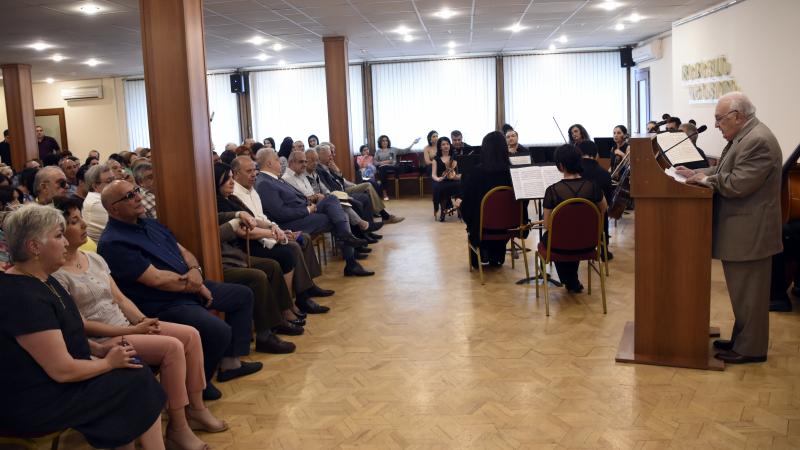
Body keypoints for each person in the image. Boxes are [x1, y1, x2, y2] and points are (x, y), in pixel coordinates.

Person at [51, 197, 225, 449]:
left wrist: (143, 320)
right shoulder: (58, 274)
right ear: (59, 231)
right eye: (75, 222)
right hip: (104, 338)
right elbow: (81, 325)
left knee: (190, 335)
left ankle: (196, 409)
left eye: (81, 218)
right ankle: (178, 427)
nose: (84, 225)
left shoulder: (94, 259)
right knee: (172, 347)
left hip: (127, 325)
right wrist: (132, 329)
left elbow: (121, 299)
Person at [0, 204, 167, 450]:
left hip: (57, 383)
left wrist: (98, 350)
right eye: (59, 235)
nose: (66, 242)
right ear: (34, 247)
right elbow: (62, 371)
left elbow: (64, 333)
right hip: (38, 400)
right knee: (136, 378)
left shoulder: (43, 279)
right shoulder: (21, 297)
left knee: (134, 369)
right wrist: (108, 363)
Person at [97, 180, 262, 399]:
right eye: (129, 196)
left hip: (189, 286)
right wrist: (196, 286)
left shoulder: (149, 223)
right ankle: (197, 384)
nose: (138, 197)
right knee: (217, 330)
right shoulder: (113, 242)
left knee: (243, 295)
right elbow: (156, 279)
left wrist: (195, 270)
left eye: (135, 191)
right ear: (114, 208)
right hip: (162, 303)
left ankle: (230, 363)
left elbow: (184, 251)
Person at [675, 92, 782, 364]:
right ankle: (742, 340)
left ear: (738, 116)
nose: (716, 125)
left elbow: (737, 183)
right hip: (743, 231)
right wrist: (697, 174)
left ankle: (751, 349)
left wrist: (704, 180)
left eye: (719, 119)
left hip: (751, 232)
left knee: (750, 296)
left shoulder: (758, 141)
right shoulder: (745, 136)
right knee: (743, 294)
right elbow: (725, 169)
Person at [228, 155, 339, 309]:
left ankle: (308, 287)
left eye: (254, 170)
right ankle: (299, 299)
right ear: (236, 174)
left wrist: (279, 230)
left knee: (304, 238)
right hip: (254, 242)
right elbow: (253, 224)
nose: (254, 174)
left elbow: (262, 218)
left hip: (271, 231)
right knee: (293, 247)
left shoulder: (251, 189)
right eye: (249, 171)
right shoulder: (236, 194)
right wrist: (277, 233)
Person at [254, 148, 375, 277]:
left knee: (332, 200)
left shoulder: (274, 179)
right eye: (277, 159)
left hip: (304, 210)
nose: (281, 162)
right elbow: (280, 214)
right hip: (292, 222)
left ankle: (348, 245)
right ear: (269, 163)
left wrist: (309, 204)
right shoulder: (264, 183)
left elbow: (297, 198)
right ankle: (350, 257)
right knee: (338, 217)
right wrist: (307, 209)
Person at [542, 144, 607, 293]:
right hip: (588, 242)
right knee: (574, 235)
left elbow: (546, 225)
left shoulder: (552, 191)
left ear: (560, 166)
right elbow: (603, 209)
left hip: (560, 246)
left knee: (557, 237)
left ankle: (569, 280)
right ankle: (572, 281)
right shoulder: (593, 187)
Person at [461, 131, 529, 268]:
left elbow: (468, 205)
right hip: (510, 226)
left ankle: (482, 252)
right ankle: (496, 254)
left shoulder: (475, 173)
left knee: (470, 211)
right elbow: (524, 201)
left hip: (483, 227)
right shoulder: (514, 172)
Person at [577, 140, 613, 260]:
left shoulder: (573, 173)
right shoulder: (605, 174)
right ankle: (604, 249)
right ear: (596, 155)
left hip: (574, 223)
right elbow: (608, 202)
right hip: (597, 223)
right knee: (603, 209)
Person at [374, 135, 419, 200]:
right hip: (383, 168)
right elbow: (375, 162)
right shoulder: (378, 151)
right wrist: (384, 162)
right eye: (383, 141)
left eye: (386, 140)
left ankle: (419, 169)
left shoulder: (393, 149)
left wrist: (413, 143)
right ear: (380, 142)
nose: (385, 142)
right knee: (382, 170)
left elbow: (405, 151)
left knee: (404, 167)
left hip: (393, 168)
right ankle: (384, 193)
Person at [431, 136, 461, 222]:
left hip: (454, 180)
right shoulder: (436, 159)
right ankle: (443, 212)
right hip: (442, 181)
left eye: (447, 144)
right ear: (440, 147)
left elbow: (460, 173)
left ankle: (460, 210)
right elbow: (433, 175)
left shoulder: (455, 157)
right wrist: (438, 179)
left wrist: (457, 177)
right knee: (439, 188)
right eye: (443, 144)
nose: (446, 146)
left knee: (461, 185)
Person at [83, 164, 115, 242]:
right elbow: (123, 225)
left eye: (114, 179)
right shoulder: (95, 203)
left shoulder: (106, 197)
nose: (114, 184)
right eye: (109, 181)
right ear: (95, 186)